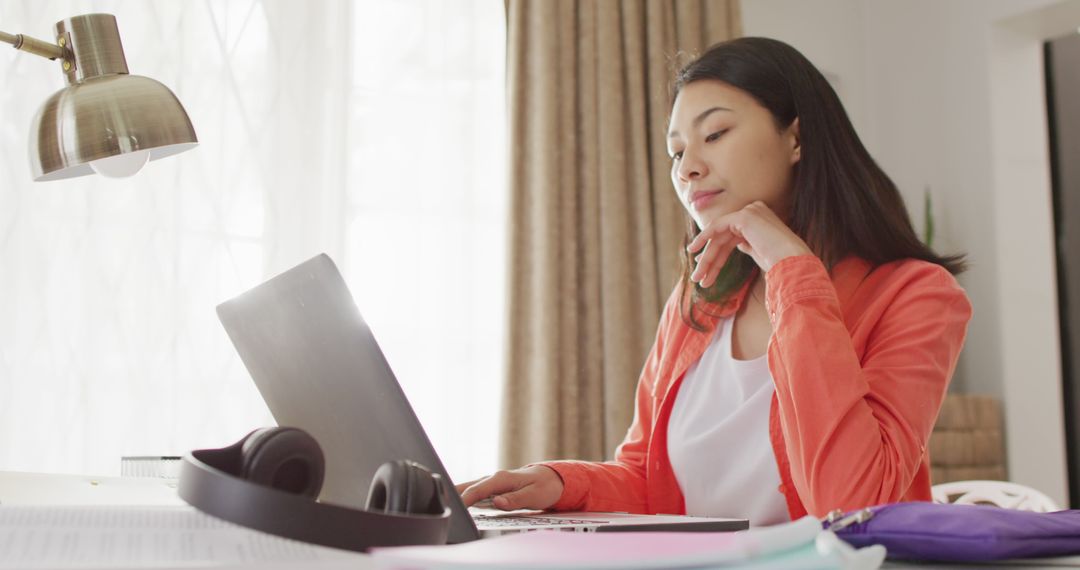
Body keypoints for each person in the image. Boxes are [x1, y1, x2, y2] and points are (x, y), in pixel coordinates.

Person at [457, 37, 972, 526]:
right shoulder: (697, 302)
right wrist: (560, 483)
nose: (689, 169)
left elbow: (855, 503)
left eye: (715, 134)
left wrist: (793, 272)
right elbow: (648, 481)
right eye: (676, 153)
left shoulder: (918, 295)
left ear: (796, 137)